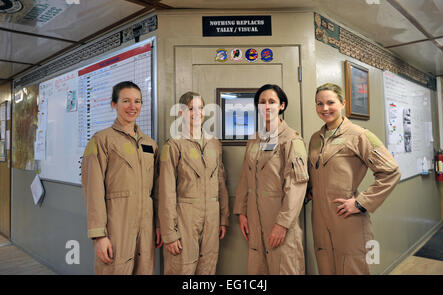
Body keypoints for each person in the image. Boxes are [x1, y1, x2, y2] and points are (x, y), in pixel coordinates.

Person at [307, 83, 401, 275]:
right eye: (319, 103)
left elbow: (391, 171)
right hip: (319, 220)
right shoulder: (315, 139)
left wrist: (361, 202)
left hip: (348, 219)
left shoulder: (359, 135)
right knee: (325, 267)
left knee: (352, 269)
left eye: (330, 102)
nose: (325, 108)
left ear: (342, 103)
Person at [81, 81, 162, 274]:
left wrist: (159, 225)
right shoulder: (101, 140)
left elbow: (157, 190)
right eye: (126, 101)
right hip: (116, 226)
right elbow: (93, 190)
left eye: (137, 101)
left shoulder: (150, 144)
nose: (132, 107)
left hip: (146, 227)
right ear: (114, 104)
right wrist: (99, 235)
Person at [233, 84, 309, 275]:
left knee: (284, 268)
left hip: (280, 222)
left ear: (282, 106)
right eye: (262, 102)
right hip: (255, 222)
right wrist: (241, 212)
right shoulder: (254, 140)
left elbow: (297, 186)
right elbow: (245, 177)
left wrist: (282, 224)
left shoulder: (291, 140)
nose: (267, 106)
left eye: (272, 102)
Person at [158, 91, 230, 275]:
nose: (197, 113)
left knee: (208, 269)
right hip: (185, 219)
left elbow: (221, 182)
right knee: (182, 269)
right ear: (181, 112)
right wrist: (169, 233)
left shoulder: (214, 144)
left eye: (200, 108)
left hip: (212, 219)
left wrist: (223, 218)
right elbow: (166, 191)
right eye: (191, 109)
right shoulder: (173, 145)